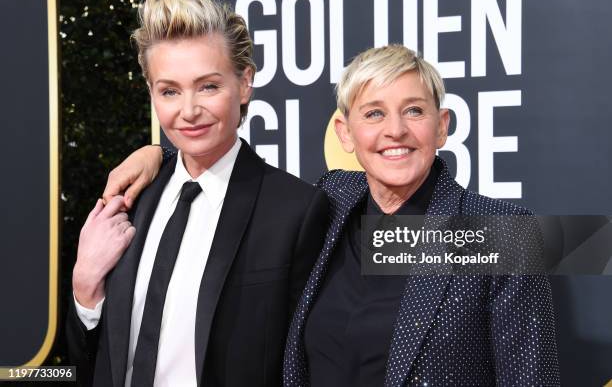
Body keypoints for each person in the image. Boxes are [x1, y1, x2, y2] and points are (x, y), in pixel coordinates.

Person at [104, 45, 560, 386]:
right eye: (374, 113)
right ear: (346, 133)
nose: (394, 131)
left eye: (414, 111)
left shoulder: (499, 233)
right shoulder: (332, 201)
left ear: (441, 127)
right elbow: (234, 168)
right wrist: (158, 155)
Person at [66, 0, 329, 387]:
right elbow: (86, 362)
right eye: (169, 91)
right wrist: (85, 292)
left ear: (244, 83)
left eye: (207, 86)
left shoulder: (296, 209)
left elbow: (310, 363)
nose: (188, 111)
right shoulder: (131, 198)